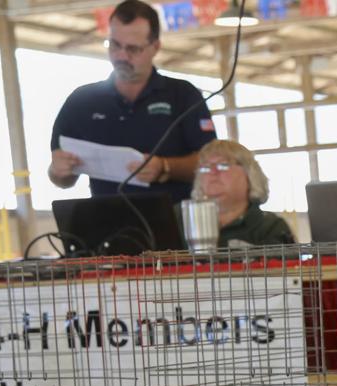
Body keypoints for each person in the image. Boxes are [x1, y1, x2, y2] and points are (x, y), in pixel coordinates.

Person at [48, 0, 216, 203]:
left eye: (133, 49)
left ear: (155, 47)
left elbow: (211, 162)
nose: (122, 56)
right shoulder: (81, 102)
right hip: (108, 225)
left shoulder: (183, 95)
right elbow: (61, 179)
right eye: (115, 45)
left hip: (177, 224)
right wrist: (58, 170)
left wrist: (165, 167)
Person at [190, 140, 293, 248]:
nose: (213, 172)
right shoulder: (179, 220)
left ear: (249, 174)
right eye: (206, 167)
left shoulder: (271, 227)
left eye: (223, 165)